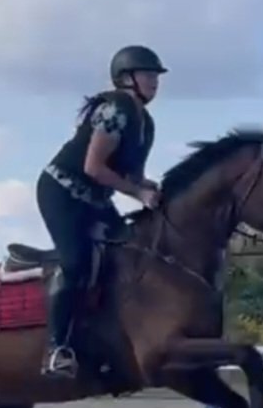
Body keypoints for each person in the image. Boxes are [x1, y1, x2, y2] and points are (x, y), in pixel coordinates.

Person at [36, 45, 166, 378]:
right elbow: (94, 168)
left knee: (127, 252)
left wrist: (155, 189)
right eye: (148, 75)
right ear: (126, 78)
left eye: (155, 76)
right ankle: (56, 349)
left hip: (94, 199)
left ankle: (108, 336)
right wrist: (137, 192)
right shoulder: (114, 110)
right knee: (77, 261)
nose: (154, 81)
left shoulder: (145, 122)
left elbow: (132, 174)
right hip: (62, 192)